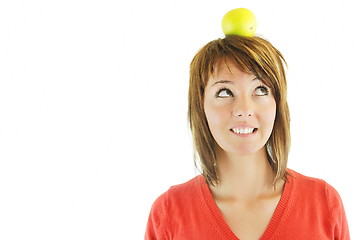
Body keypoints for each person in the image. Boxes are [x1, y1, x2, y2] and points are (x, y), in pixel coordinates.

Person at [145, 35, 350, 239]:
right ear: (201, 106)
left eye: (260, 89)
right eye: (224, 92)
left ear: (277, 103)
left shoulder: (323, 202)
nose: (244, 109)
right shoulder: (169, 212)